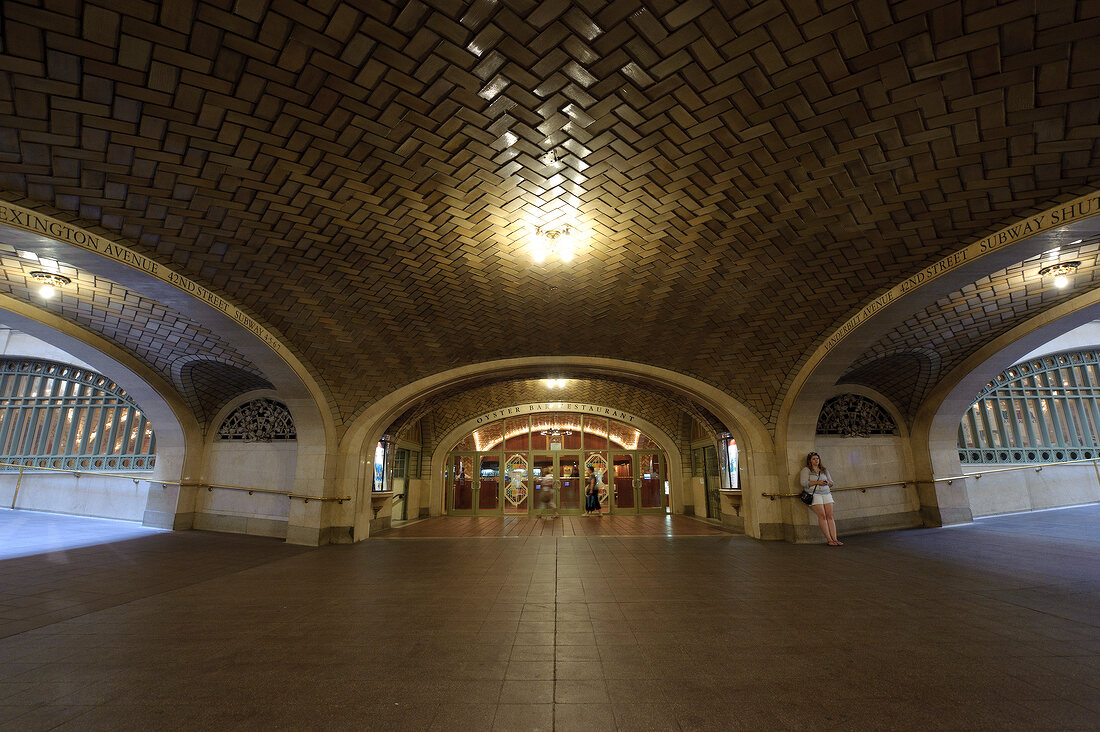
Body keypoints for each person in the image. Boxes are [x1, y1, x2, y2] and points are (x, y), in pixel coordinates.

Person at [800, 452, 843, 546]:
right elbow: (803, 483)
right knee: (822, 516)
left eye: (817, 458)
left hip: (826, 493)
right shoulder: (806, 470)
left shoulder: (824, 470)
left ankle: (835, 538)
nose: (816, 460)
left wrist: (827, 483)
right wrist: (817, 482)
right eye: (814, 459)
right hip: (815, 495)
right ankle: (829, 539)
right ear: (810, 461)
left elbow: (832, 482)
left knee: (830, 516)